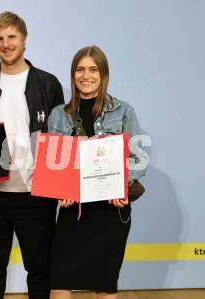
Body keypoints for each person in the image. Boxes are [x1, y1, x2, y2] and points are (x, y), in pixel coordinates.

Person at [0, 11, 64, 299]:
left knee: (39, 270)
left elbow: (59, 138)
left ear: (24, 39)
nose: (6, 44)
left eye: (11, 37)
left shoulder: (48, 83)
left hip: (36, 196)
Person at [47, 46, 148, 299]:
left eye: (93, 69)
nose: (86, 75)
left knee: (105, 283)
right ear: (73, 74)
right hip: (74, 210)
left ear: (103, 74)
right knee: (59, 280)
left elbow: (138, 157)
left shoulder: (124, 111)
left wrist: (123, 186)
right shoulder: (59, 114)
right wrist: (60, 189)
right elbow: (52, 160)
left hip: (110, 211)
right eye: (80, 69)